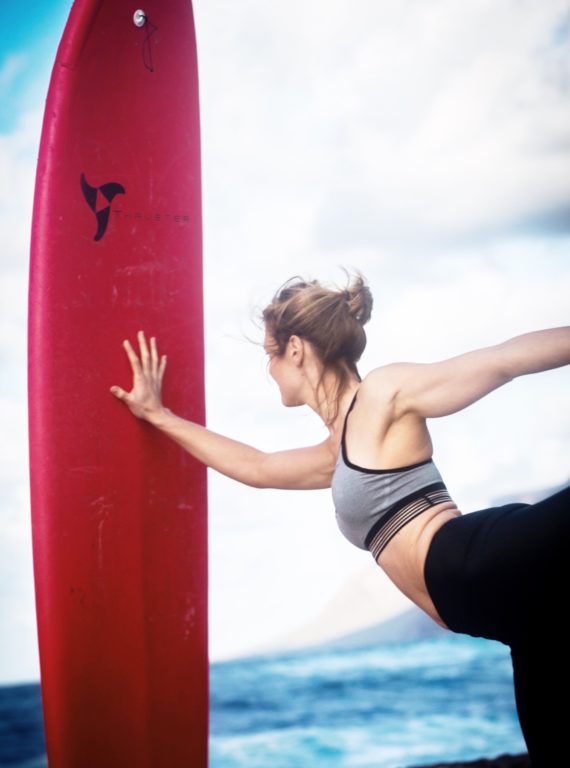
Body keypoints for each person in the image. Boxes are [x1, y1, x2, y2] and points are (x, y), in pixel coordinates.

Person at [110, 274, 569, 765]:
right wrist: (158, 416)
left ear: (295, 349)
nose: (269, 370)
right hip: (503, 615)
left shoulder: (383, 395)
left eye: (269, 355)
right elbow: (258, 468)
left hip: (479, 561)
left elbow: (503, 361)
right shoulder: (338, 451)